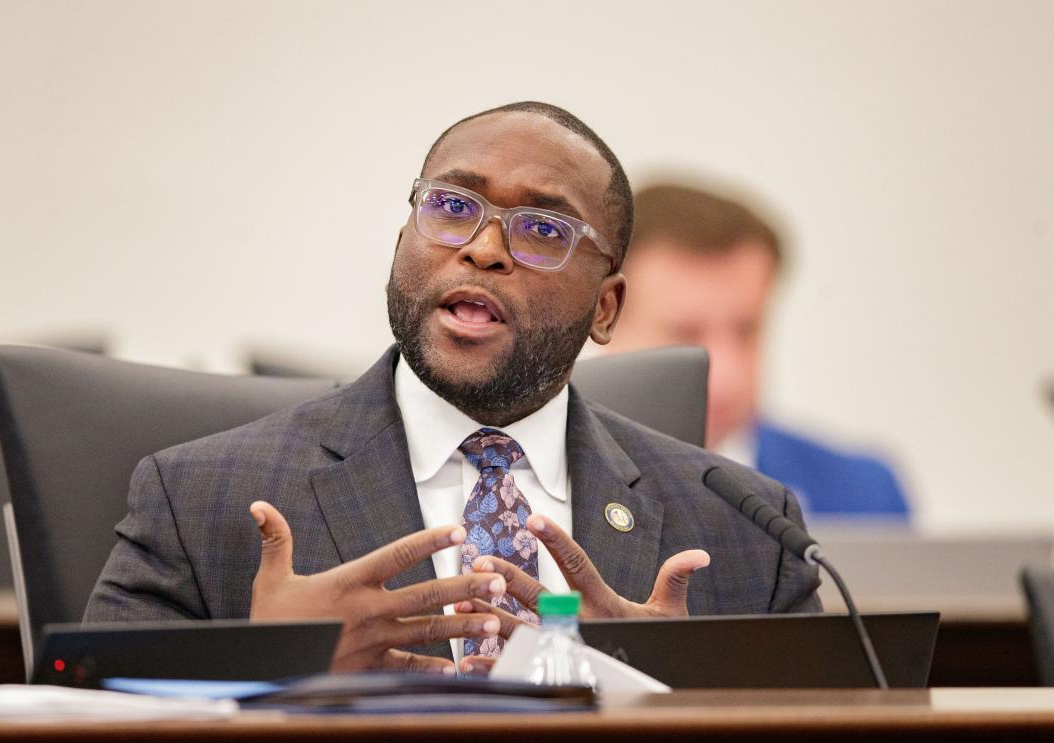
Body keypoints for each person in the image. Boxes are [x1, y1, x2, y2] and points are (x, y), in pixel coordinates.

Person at [85, 103, 821, 674]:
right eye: (452, 207)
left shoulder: (746, 537)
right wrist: (276, 674)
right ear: (403, 239)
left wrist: (662, 697)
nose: (483, 247)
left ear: (606, 308)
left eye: (539, 229)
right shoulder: (197, 502)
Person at [604, 183, 910, 519]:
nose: (726, 374)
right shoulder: (549, 488)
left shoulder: (861, 495)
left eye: (747, 331)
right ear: (604, 320)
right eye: (686, 334)